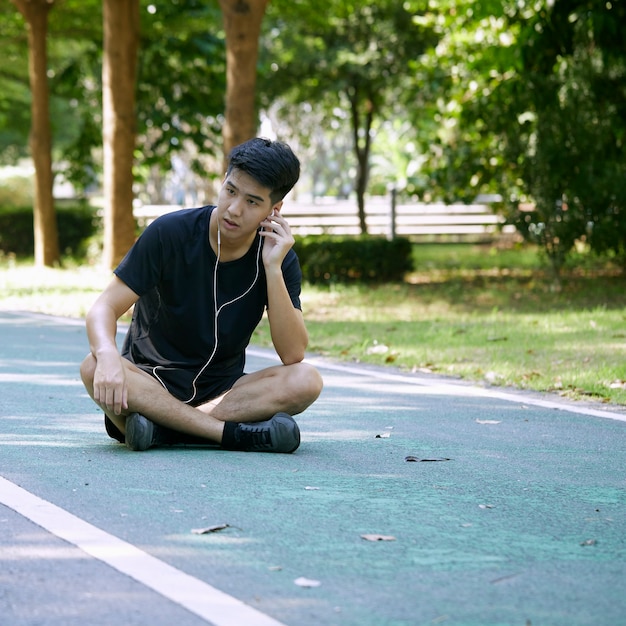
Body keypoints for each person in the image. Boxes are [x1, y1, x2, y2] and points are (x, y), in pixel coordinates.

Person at [80, 138, 323, 453]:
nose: (234, 209)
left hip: (223, 393)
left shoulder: (278, 256)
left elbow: (293, 354)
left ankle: (161, 431)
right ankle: (229, 435)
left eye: (252, 202)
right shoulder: (170, 233)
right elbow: (103, 308)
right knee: (92, 365)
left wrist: (273, 269)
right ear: (223, 182)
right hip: (150, 381)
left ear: (273, 210)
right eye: (231, 191)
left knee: (307, 380)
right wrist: (110, 356)